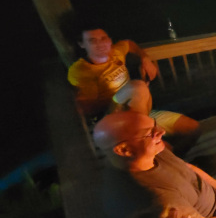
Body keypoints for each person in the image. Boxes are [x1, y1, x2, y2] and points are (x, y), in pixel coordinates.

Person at [67, 27, 200, 151]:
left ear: (110, 40)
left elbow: (130, 44)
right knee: (138, 87)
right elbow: (87, 108)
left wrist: (144, 58)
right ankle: (144, 140)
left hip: (138, 109)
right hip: (112, 118)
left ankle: (174, 158)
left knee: (192, 128)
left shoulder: (116, 52)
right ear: (82, 44)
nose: (100, 44)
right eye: (92, 41)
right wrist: (131, 93)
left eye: (104, 38)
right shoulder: (80, 71)